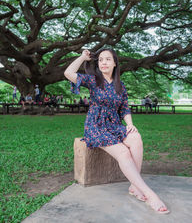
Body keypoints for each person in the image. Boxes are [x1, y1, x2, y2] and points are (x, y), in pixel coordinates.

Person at [64, 48, 169, 214]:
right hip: (96, 125)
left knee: (136, 137)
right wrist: (82, 57)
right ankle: (149, 194)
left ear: (114, 63)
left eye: (107, 59)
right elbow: (68, 72)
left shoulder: (120, 85)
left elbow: (124, 108)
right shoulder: (93, 80)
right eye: (100, 60)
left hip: (114, 125)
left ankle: (135, 187)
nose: (103, 62)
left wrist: (129, 124)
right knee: (123, 153)